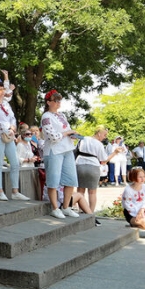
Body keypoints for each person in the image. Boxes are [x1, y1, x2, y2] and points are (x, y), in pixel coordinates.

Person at [0, 82, 29, 201]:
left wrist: (13, 128)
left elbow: (12, 117)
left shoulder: (5, 104)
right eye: (0, 89)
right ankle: (0, 191)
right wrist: (7, 127)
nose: (3, 91)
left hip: (9, 135)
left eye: (3, 88)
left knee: (14, 162)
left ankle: (15, 191)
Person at [40, 90, 80, 219]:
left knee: (71, 179)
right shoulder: (46, 116)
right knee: (53, 180)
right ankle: (54, 207)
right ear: (48, 102)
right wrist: (66, 134)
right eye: (55, 101)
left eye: (59, 101)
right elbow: (53, 136)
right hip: (54, 151)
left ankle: (66, 206)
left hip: (67, 149)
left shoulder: (62, 115)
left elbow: (66, 130)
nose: (58, 103)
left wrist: (72, 134)